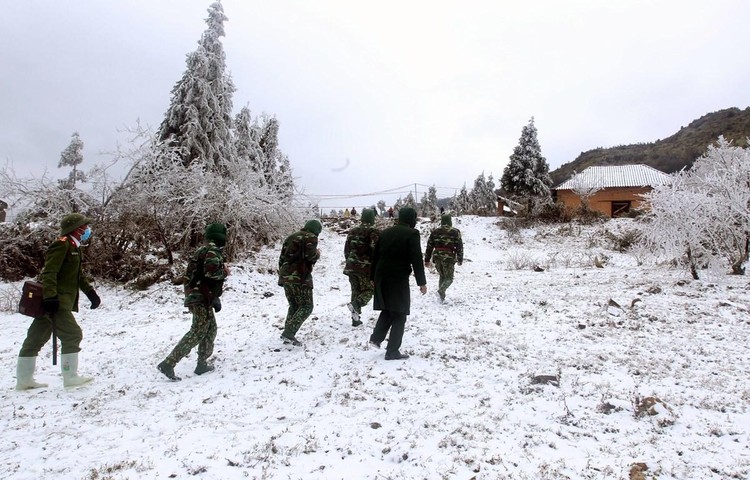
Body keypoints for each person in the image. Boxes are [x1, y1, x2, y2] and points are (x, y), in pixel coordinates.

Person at [16, 213, 101, 390]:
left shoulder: (74, 247)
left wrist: (90, 292)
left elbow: (76, 275)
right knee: (73, 334)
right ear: (76, 229)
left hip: (58, 299)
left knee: (35, 338)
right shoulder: (61, 245)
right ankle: (70, 377)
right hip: (56, 301)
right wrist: (50, 297)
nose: (87, 230)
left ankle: (24, 381)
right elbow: (49, 273)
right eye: (84, 227)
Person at [158, 223, 229, 381]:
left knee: (210, 329)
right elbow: (211, 274)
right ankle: (169, 363)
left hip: (199, 295)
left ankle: (201, 364)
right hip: (200, 296)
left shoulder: (203, 249)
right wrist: (224, 272)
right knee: (198, 331)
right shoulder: (212, 250)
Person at [369, 207, 426, 360]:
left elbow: (376, 255)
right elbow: (416, 258)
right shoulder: (412, 233)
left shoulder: (386, 232)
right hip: (397, 277)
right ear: (411, 219)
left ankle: (376, 338)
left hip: (381, 274)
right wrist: (422, 282)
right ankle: (392, 351)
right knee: (400, 312)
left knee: (389, 307)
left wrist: (372, 277)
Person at [278, 220, 322, 346]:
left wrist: (283, 275)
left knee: (294, 305)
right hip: (300, 277)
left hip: (286, 275)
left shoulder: (291, 237)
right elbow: (310, 256)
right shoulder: (311, 237)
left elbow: (281, 258)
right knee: (307, 306)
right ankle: (289, 332)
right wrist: (317, 254)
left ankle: (288, 332)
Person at [343, 208, 380, 327]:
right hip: (365, 267)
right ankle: (357, 305)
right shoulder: (374, 232)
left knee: (355, 291)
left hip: (351, 266)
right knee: (369, 290)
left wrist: (349, 261)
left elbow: (346, 249)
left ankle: (355, 319)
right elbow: (375, 251)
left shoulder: (352, 231)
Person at [424, 214, 464, 303]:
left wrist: (427, 260)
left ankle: (441, 299)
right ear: (450, 221)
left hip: (437, 257)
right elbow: (459, 247)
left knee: (442, 276)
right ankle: (440, 292)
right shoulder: (455, 232)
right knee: (449, 278)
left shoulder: (435, 232)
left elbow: (429, 247)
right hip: (448, 258)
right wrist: (460, 259)